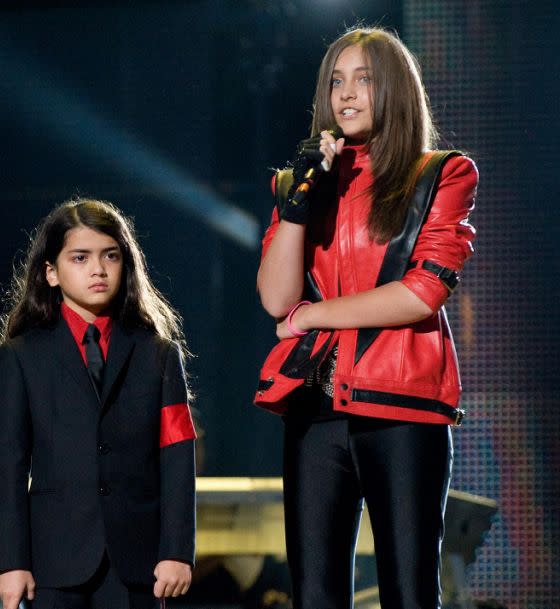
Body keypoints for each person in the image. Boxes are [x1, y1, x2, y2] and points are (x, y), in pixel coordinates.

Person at [254, 26, 478, 608]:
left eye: (364, 80)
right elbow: (276, 299)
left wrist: (312, 318)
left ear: (396, 90)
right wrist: (296, 201)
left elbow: (420, 293)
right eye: (336, 81)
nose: (346, 95)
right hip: (316, 406)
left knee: (408, 589)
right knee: (315, 594)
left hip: (402, 406)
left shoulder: (441, 174)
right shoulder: (302, 181)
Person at [0, 198, 197, 609]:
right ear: (50, 272)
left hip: (138, 561)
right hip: (52, 562)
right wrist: (10, 562)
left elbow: (177, 456)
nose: (98, 270)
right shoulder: (22, 355)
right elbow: (9, 462)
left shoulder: (157, 353)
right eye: (80, 258)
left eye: (110, 256)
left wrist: (176, 550)